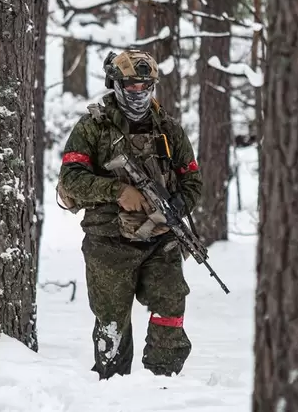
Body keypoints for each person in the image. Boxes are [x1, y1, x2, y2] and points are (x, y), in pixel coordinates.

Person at [57, 50, 203, 380]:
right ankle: (113, 388)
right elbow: (71, 178)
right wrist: (119, 192)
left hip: (160, 238)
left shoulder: (169, 129)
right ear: (117, 84)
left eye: (145, 86)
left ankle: (161, 383)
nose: (139, 93)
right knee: (112, 323)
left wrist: (179, 205)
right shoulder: (93, 126)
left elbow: (192, 179)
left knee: (170, 304)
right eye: (131, 86)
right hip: (108, 242)